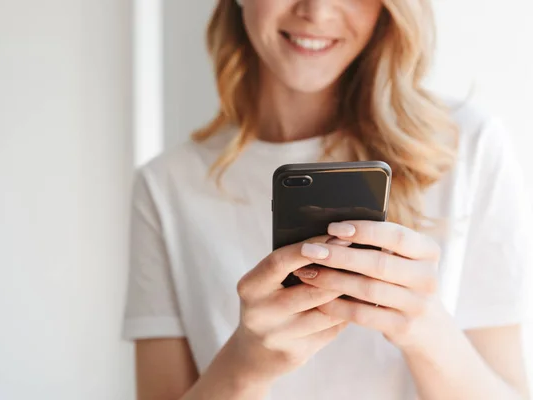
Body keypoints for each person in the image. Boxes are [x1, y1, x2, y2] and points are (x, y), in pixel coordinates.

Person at [124, 0, 532, 399]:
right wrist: (245, 366)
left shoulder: (466, 149)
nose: (316, 12)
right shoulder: (165, 186)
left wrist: (426, 329)